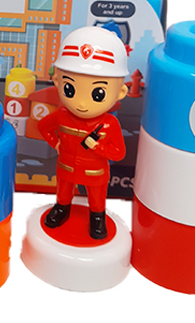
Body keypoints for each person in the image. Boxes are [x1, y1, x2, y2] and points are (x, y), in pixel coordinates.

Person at [38, 25, 128, 239]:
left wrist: (98, 147)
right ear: (57, 82)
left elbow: (119, 153)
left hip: (94, 171)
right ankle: (62, 208)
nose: (81, 103)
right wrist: (56, 143)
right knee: (63, 191)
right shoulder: (61, 115)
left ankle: (97, 217)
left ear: (120, 92)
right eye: (70, 89)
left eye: (98, 93)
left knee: (96, 196)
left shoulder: (109, 124)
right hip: (66, 166)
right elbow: (43, 127)